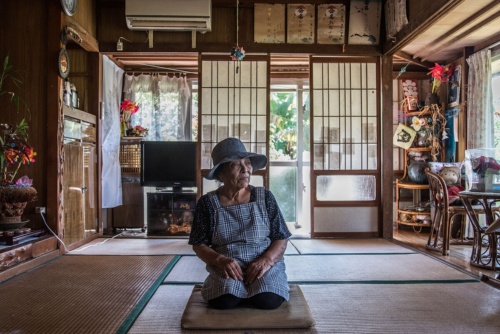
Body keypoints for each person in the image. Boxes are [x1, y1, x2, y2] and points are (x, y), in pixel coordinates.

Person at [189, 137, 292, 310]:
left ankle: (255, 289)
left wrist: (266, 260)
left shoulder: (265, 197)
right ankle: (241, 290)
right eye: (236, 165)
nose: (246, 170)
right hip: (228, 265)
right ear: (221, 174)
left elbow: (281, 237)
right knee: (224, 302)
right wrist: (220, 260)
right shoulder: (207, 203)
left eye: (247, 163)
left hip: (261, 262)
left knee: (268, 300)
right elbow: (198, 244)